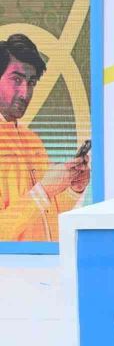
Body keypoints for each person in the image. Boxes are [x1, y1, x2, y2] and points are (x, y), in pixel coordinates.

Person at [0, 34, 89, 241]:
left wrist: (73, 188)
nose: (25, 93)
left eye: (31, 82)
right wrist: (44, 190)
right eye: (16, 79)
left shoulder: (32, 140)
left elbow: (48, 215)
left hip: (46, 259)